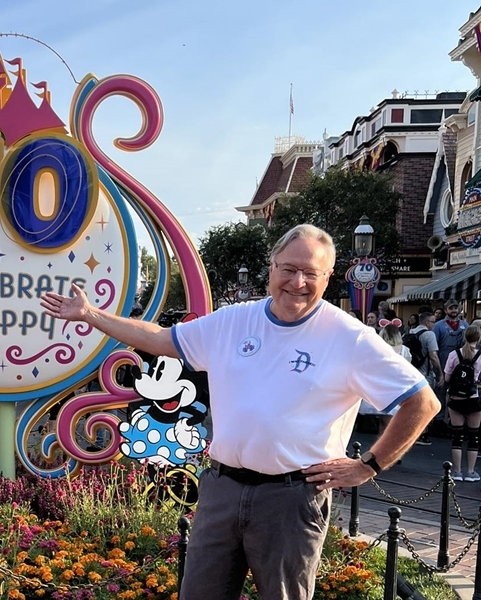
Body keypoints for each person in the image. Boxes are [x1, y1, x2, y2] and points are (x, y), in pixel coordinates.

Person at [41, 223, 439, 600]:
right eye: (289, 269)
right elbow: (161, 339)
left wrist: (369, 465)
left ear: (328, 276)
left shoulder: (349, 337)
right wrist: (90, 315)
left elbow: (422, 402)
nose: (298, 282)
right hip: (222, 489)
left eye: (310, 273)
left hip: (292, 498)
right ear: (273, 266)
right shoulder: (235, 321)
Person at [443, 325, 481, 482]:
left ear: (464, 337)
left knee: (457, 435)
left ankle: (457, 471)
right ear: (478, 339)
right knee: (474, 436)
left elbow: (446, 379)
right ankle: (471, 472)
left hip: (455, 398)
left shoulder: (454, 354)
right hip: (473, 398)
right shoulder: (480, 356)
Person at [408, 312, 443, 446]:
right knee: (427, 405)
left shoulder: (410, 332)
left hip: (411, 373)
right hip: (425, 374)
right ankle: (422, 433)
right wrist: (440, 373)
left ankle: (411, 433)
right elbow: (433, 356)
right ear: (427, 322)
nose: (434, 324)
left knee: (413, 404)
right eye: (433, 322)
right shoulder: (429, 334)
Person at [434, 299, 470, 421]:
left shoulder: (465, 325)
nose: (454, 310)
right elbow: (434, 347)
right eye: (451, 308)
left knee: (458, 391)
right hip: (443, 359)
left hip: (460, 362)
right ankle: (439, 418)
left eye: (456, 308)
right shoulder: (438, 326)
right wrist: (437, 369)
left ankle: (454, 419)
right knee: (441, 390)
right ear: (446, 310)